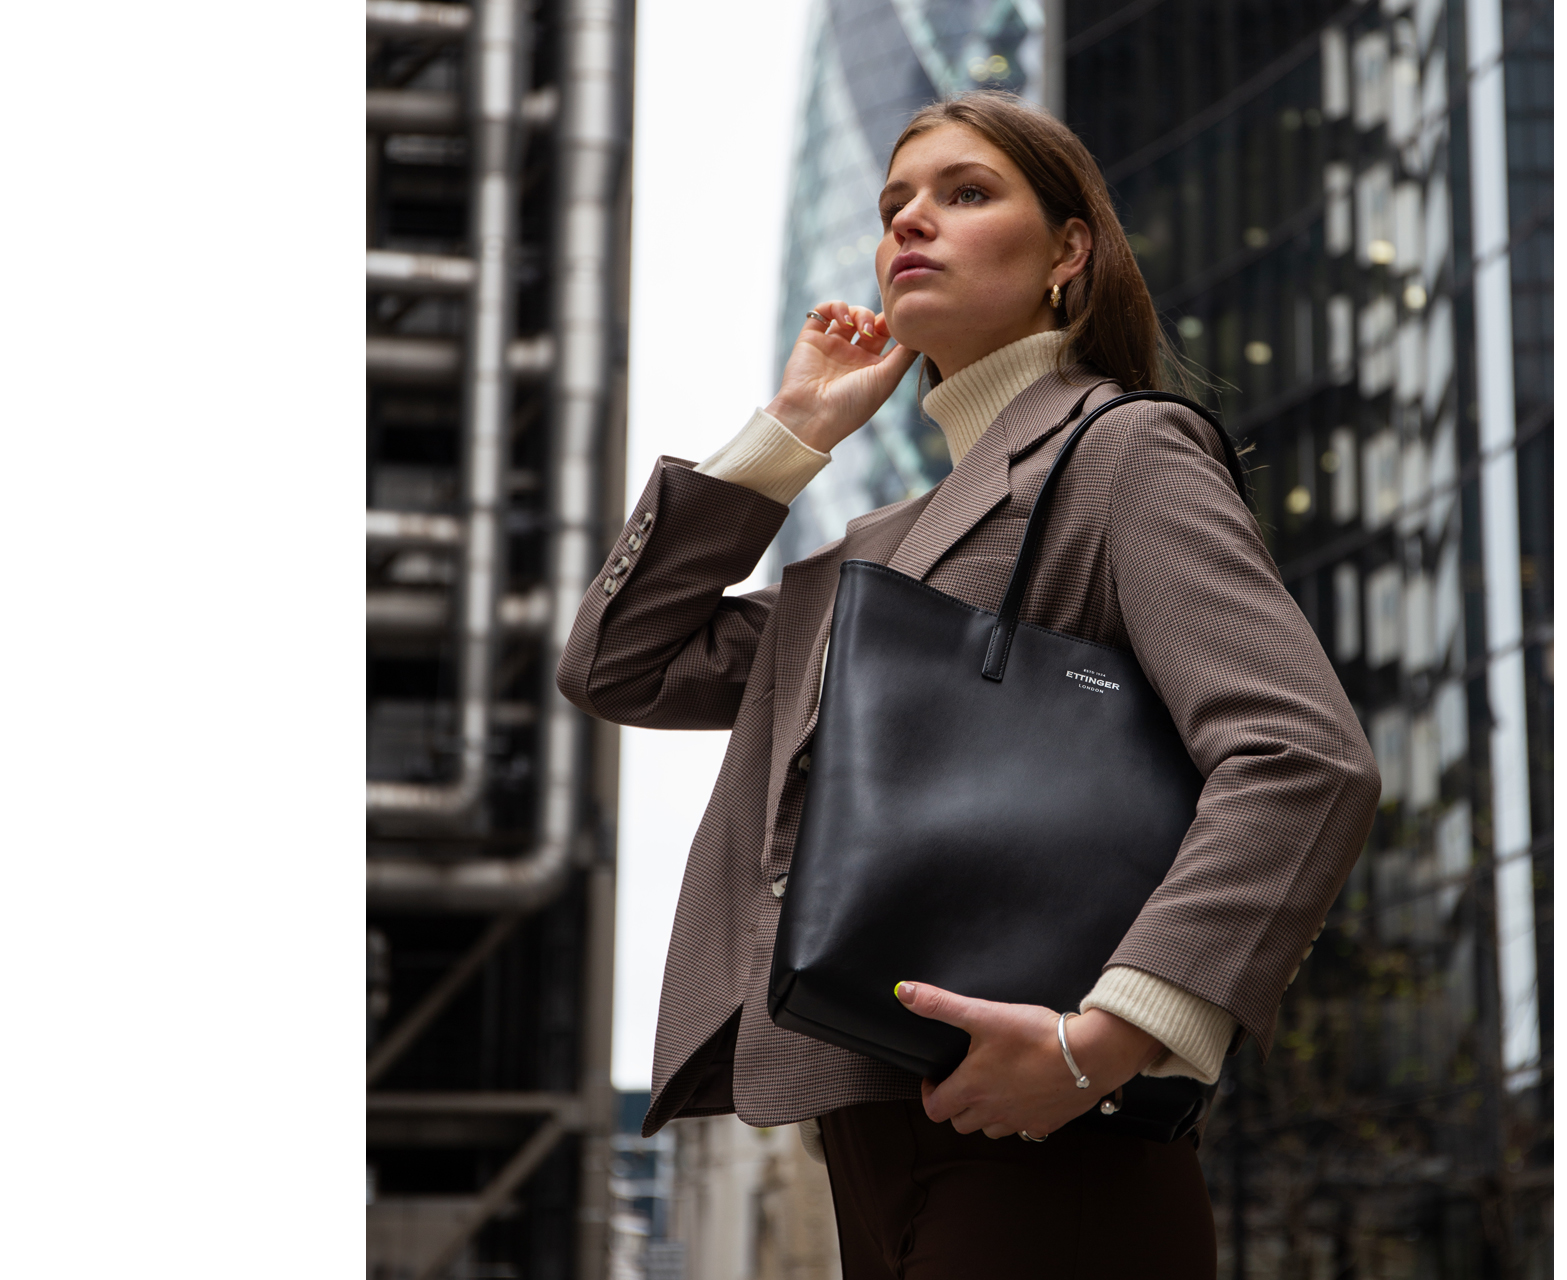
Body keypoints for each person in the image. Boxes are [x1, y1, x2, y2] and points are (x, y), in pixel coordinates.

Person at [558, 90, 1379, 1278]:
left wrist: (1108, 1037)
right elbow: (621, 661)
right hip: (870, 1123)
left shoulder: (1123, 449)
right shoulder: (875, 549)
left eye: (966, 193)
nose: (911, 223)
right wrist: (793, 430)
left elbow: (1302, 757)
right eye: (895, 205)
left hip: (1051, 1136)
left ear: (1067, 252)